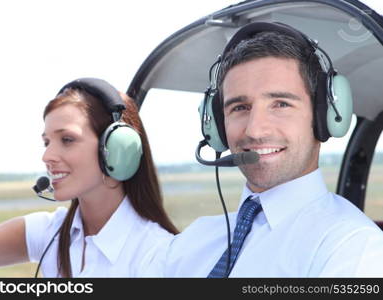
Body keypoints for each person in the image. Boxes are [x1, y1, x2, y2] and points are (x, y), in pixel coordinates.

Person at [163, 22, 383, 277]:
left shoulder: (353, 249)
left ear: (325, 117)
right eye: (240, 108)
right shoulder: (192, 242)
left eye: (280, 104)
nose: (255, 130)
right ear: (218, 126)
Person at [0, 77, 177, 277]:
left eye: (67, 139)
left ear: (116, 148)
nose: (47, 156)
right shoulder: (51, 233)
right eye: (47, 142)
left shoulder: (156, 254)